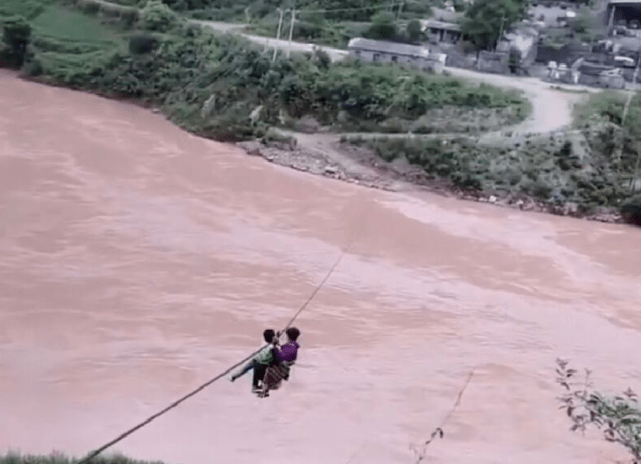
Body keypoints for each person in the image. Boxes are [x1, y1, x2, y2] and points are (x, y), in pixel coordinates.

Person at [257, 327, 301, 397]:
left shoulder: (290, 346)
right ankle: (268, 388)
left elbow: (281, 356)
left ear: (288, 336)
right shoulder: (293, 346)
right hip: (285, 367)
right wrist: (276, 343)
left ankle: (265, 391)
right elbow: (282, 350)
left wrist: (274, 346)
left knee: (266, 369)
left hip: (280, 366)